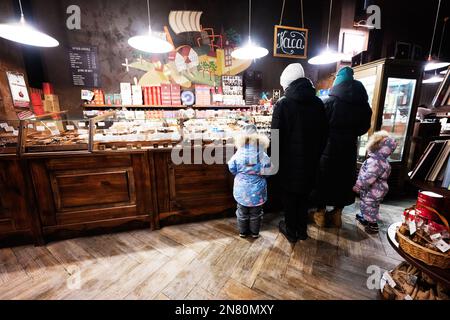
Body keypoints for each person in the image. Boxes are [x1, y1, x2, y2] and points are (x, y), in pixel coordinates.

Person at [271, 63, 328, 242]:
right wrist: (316, 155)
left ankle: (290, 230)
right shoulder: (318, 103)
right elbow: (324, 134)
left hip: (288, 162)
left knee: (289, 197)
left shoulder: (283, 104)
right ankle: (302, 231)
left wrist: (274, 162)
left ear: (287, 84)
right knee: (304, 196)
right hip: (311, 161)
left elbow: (275, 137)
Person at [311, 66, 372, 228]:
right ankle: (337, 214)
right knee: (344, 182)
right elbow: (364, 128)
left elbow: (317, 127)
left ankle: (320, 214)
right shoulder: (363, 106)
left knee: (323, 181)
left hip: (328, 149)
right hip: (350, 149)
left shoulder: (328, 102)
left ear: (337, 83)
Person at [228, 124, 271, 238]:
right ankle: (255, 233)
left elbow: (231, 166)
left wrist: (239, 174)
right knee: (256, 212)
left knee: (242, 211)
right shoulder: (262, 153)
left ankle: (243, 232)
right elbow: (268, 169)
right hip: (258, 187)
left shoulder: (239, 152)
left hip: (241, 187)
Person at [353, 131, 398, 234]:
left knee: (368, 205)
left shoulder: (374, 162)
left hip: (372, 189)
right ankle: (367, 218)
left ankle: (372, 225)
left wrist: (358, 186)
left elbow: (369, 177)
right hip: (380, 189)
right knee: (373, 206)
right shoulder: (385, 162)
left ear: (375, 146)